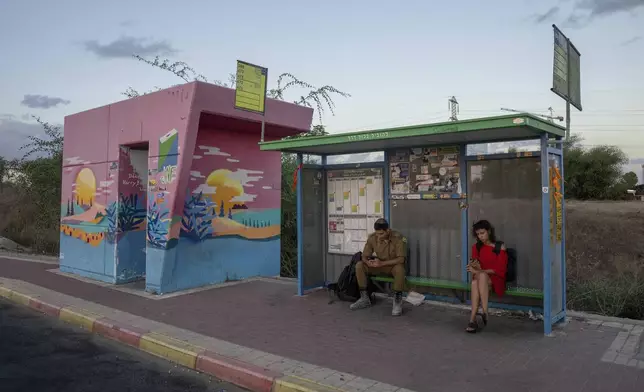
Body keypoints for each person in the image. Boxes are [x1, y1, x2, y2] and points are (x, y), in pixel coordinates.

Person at [350, 218, 407, 316]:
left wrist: (381, 264)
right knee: (360, 265)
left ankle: (397, 300)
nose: (378, 236)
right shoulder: (373, 237)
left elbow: (401, 259)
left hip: (391, 266)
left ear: (388, 231)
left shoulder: (398, 238)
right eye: (377, 234)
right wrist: (367, 262)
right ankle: (364, 298)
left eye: (381, 234)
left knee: (400, 269)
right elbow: (364, 255)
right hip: (379, 265)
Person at [465, 220, 508, 333]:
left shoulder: (500, 247)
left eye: (482, 233)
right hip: (480, 280)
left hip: (496, 279)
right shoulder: (476, 247)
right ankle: (476, 318)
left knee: (481, 276)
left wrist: (480, 271)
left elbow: (500, 270)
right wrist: (473, 267)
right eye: (478, 234)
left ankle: (480, 315)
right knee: (476, 281)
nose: (480, 236)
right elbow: (476, 269)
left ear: (489, 231)